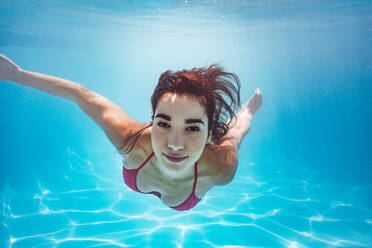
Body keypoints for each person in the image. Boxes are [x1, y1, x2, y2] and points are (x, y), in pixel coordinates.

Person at [0, 54, 263, 211]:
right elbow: (82, 95)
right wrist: (17, 74)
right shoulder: (129, 139)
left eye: (193, 128)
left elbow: (235, 134)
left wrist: (247, 112)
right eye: (163, 123)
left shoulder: (220, 168)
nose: (174, 144)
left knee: (231, 132)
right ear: (151, 121)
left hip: (197, 173)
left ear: (207, 135)